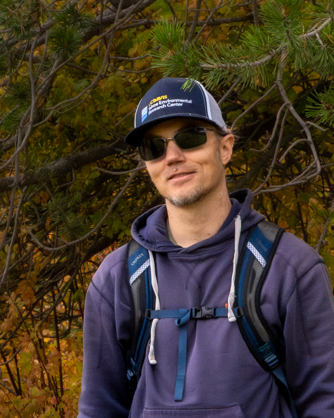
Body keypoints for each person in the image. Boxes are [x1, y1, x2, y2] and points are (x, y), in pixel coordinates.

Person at [79, 77, 334, 417]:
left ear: (225, 147)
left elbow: (324, 403)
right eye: (154, 147)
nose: (172, 156)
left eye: (190, 137)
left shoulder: (290, 268)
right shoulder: (116, 279)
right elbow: (98, 409)